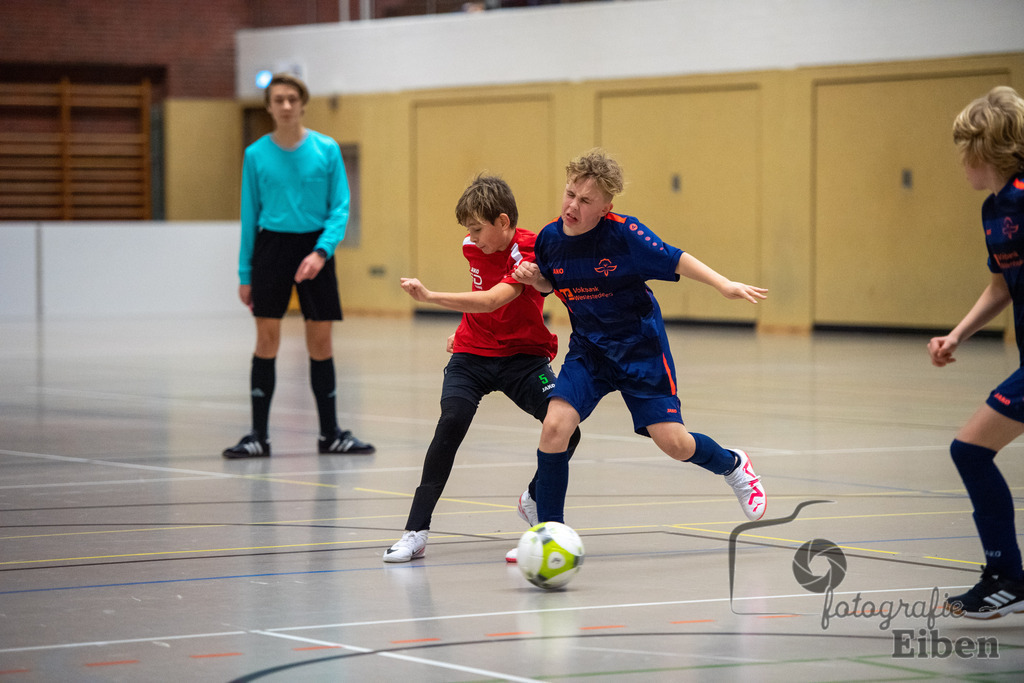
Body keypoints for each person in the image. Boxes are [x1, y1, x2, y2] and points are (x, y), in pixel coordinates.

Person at [512, 148, 768, 535]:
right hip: (589, 350)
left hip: (639, 349)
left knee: (675, 444)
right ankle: (550, 532)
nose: (572, 206)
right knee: (554, 427)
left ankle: (734, 465)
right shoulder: (549, 238)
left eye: (585, 201)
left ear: (605, 207)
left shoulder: (625, 234)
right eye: (569, 194)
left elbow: (675, 258)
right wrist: (537, 280)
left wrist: (723, 284)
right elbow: (552, 281)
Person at [384, 175, 580, 562]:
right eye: (468, 231)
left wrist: (429, 297)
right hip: (472, 355)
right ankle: (415, 532)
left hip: (524, 359)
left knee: (567, 431)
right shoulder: (471, 246)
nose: (471, 238)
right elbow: (479, 288)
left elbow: (492, 300)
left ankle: (533, 499)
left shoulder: (530, 249)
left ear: (503, 222)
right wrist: (461, 329)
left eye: (477, 229)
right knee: (451, 420)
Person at [223, 73, 374, 459]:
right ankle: (258, 435)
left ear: (303, 103)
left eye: (292, 98)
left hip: (316, 248)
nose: (286, 105)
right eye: (279, 99)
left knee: (320, 342)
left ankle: (330, 433)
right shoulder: (255, 154)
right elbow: (248, 215)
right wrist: (246, 274)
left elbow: (340, 207)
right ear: (269, 106)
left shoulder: (327, 149)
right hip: (271, 249)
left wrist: (321, 252)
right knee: (266, 340)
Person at [927, 85, 1024, 619]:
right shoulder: (994, 210)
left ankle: (1006, 575)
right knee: (971, 450)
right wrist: (957, 335)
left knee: (969, 450)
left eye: (965, 148)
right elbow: (1001, 286)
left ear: (985, 150)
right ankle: (1006, 575)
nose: (960, 161)